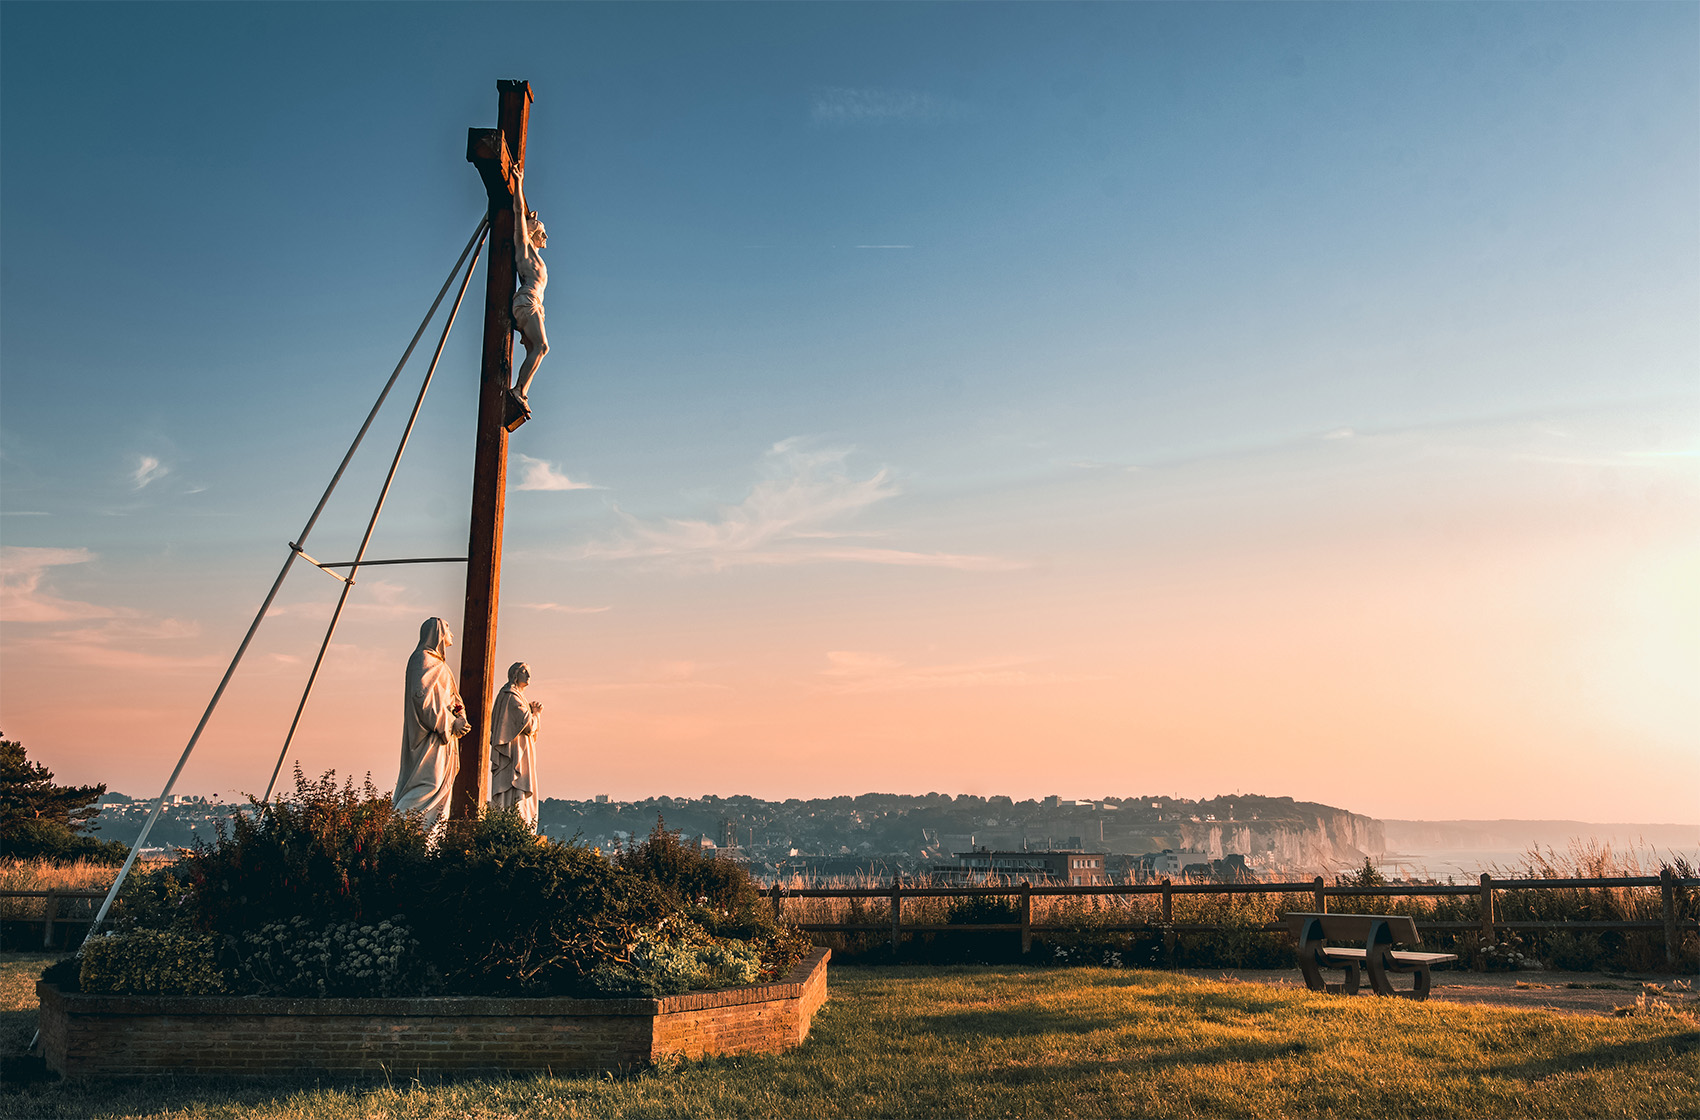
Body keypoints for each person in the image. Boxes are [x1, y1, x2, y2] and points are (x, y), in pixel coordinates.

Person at [394, 617, 471, 833]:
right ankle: (398, 830)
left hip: (443, 738)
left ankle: (429, 840)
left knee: (439, 788)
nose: (452, 634)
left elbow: (454, 700)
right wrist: (450, 723)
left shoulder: (441, 665)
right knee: (428, 785)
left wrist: (460, 718)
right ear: (437, 633)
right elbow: (422, 700)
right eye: (448, 629)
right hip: (429, 737)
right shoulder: (422, 660)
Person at [509, 170, 548, 415]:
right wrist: (518, 183)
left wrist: (533, 219)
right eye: (542, 231)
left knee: (536, 350)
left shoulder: (536, 255)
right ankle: (518, 391)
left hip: (535, 305)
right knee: (542, 347)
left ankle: (522, 392)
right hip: (527, 302)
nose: (546, 236)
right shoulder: (524, 249)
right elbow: (517, 213)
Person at [489, 661, 543, 831]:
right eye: (524, 672)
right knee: (515, 784)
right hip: (515, 752)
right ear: (514, 674)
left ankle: (518, 821)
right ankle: (515, 823)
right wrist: (536, 714)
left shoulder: (515, 696)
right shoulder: (511, 696)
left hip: (520, 748)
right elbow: (528, 725)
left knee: (516, 788)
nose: (528, 676)